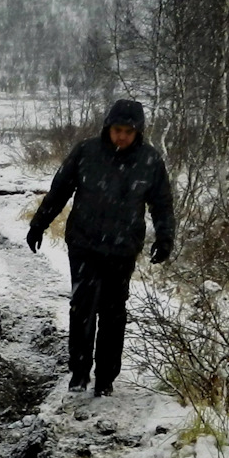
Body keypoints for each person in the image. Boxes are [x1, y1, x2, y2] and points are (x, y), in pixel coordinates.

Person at [25, 98, 174, 396]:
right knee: (82, 308)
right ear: (108, 126)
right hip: (84, 244)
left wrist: (165, 237)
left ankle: (106, 378)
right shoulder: (86, 152)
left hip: (122, 249)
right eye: (117, 129)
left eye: (129, 132)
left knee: (113, 313)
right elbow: (60, 190)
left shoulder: (150, 160)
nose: (122, 136)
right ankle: (79, 373)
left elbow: (162, 204)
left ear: (138, 132)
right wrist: (39, 223)